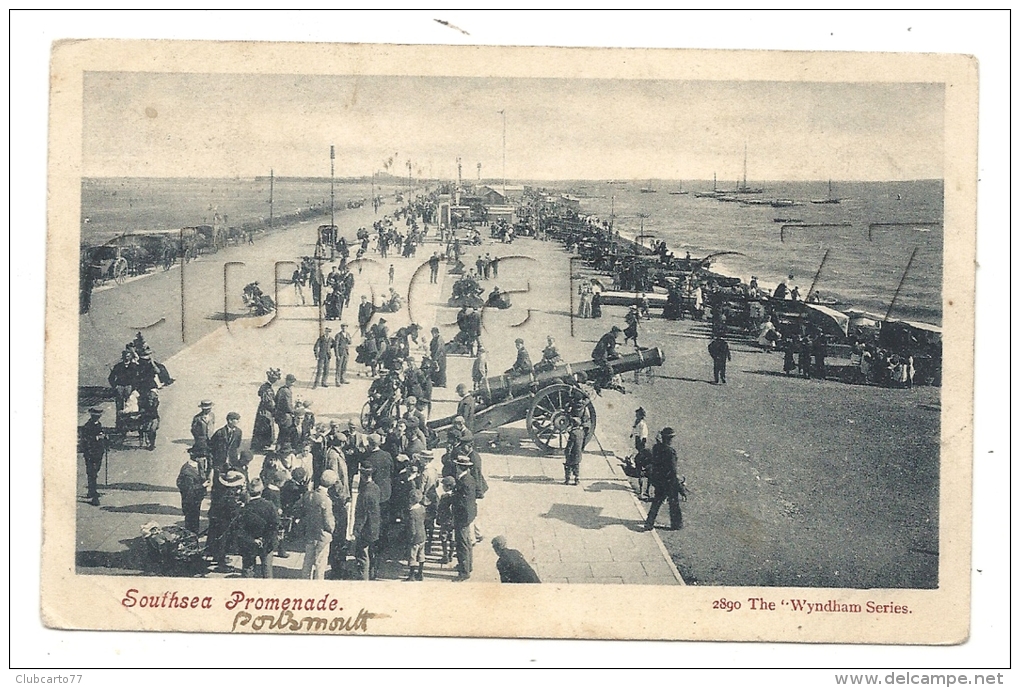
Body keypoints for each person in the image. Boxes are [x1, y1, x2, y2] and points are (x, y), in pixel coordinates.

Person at [235, 478, 279, 578]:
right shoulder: (269, 506)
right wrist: (265, 539)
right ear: (261, 490)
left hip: (248, 543)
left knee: (248, 569)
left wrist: (253, 539)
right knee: (267, 569)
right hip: (266, 543)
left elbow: (239, 528)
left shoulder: (245, 508)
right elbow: (275, 525)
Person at [642, 427, 684, 531]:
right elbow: (673, 470)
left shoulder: (656, 447)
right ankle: (676, 524)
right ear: (670, 439)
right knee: (674, 504)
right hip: (669, 482)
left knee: (656, 502)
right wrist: (679, 486)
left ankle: (649, 522)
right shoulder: (670, 452)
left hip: (658, 480)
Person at [300, 469, 336, 580]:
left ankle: (304, 581)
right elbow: (328, 520)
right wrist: (332, 530)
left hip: (310, 532)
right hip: (322, 535)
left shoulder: (309, 495)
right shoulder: (326, 500)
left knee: (308, 560)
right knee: (320, 563)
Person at [353, 464, 382, 580]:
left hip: (366, 529)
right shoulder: (376, 488)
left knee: (362, 556)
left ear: (363, 476)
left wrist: (356, 530)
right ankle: (372, 575)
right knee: (372, 553)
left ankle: (363, 579)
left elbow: (361, 516)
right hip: (375, 526)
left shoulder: (364, 494)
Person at [452, 455, 478, 581]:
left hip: (462, 517)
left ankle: (464, 571)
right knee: (467, 542)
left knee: (462, 544)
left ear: (458, 467)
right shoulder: (470, 478)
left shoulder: (463, 482)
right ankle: (468, 565)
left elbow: (461, 502)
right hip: (469, 515)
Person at [79, 407, 107, 506]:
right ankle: (93, 495)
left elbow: (100, 434)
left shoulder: (98, 424)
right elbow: (86, 439)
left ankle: (91, 491)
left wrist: (104, 436)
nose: (98, 417)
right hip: (90, 452)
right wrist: (97, 437)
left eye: (99, 415)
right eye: (96, 415)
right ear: (92, 416)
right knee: (92, 472)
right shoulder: (87, 426)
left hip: (98, 452)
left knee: (95, 471)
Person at [177, 448, 207, 533]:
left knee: (195, 517)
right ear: (197, 458)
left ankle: (194, 534)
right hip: (190, 500)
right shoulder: (187, 471)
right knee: (191, 519)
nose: (204, 459)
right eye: (203, 457)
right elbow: (189, 488)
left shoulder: (196, 465)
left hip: (195, 498)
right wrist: (202, 485)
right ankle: (191, 537)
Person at [252, 369, 279, 452]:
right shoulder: (268, 389)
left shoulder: (264, 386)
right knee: (265, 427)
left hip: (262, 409)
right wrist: (275, 410)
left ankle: (260, 445)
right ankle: (263, 446)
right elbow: (269, 402)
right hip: (266, 411)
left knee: (262, 427)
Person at [404, 489, 427, 581]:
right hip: (422, 535)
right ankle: (420, 573)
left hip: (415, 538)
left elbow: (412, 529)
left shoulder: (411, 513)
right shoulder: (422, 508)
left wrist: (410, 538)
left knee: (412, 557)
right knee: (421, 555)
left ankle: (412, 575)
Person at [631, 407, 651, 501]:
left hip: (640, 441)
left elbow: (643, 436)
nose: (636, 416)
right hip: (637, 440)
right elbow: (634, 430)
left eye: (637, 414)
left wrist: (640, 443)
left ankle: (643, 490)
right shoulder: (637, 422)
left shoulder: (643, 424)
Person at [275, 374, 298, 451]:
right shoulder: (287, 391)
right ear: (287, 381)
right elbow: (288, 405)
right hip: (285, 416)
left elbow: (276, 400)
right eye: (292, 382)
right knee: (285, 433)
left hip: (279, 415)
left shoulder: (281, 389)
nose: (293, 384)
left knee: (281, 432)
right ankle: (281, 449)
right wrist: (294, 411)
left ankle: (278, 448)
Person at [563, 420, 586, 486]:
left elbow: (570, 445)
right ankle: (577, 479)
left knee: (568, 466)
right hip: (578, 453)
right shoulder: (582, 432)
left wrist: (567, 452)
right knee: (576, 466)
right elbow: (583, 443)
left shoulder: (573, 433)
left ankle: (567, 480)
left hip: (572, 454)